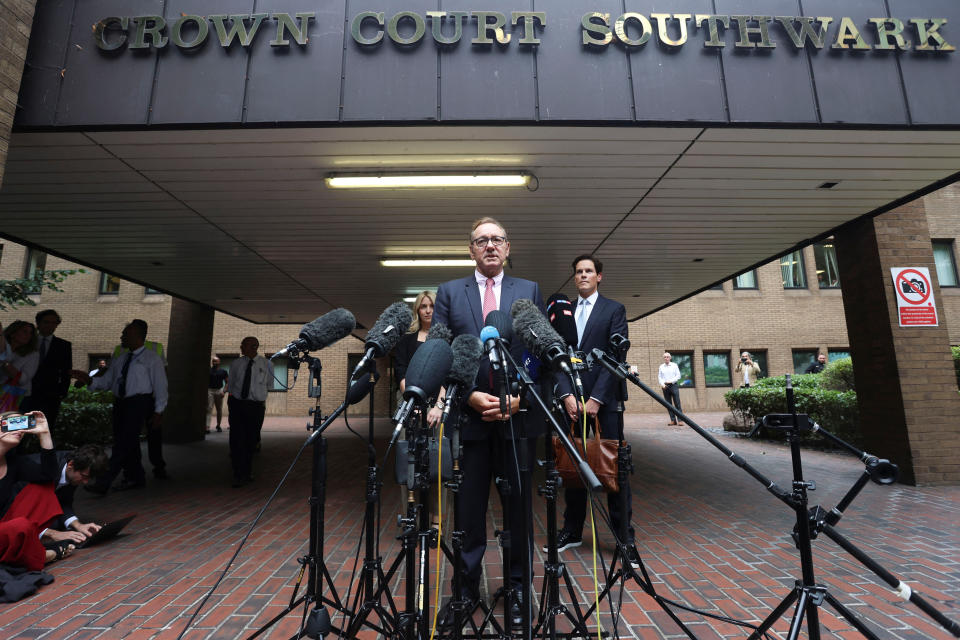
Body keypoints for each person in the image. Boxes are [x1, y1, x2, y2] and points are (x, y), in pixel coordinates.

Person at [433, 217, 543, 624]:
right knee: (467, 514)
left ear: (508, 248)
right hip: (472, 421)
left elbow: (535, 348)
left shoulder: (528, 290)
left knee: (517, 509)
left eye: (497, 240)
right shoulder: (449, 293)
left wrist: (520, 397)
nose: (490, 246)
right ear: (471, 250)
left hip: (515, 421)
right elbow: (442, 351)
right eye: (482, 241)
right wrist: (469, 395)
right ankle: (463, 594)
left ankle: (517, 591)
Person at [550, 255, 637, 565]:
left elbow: (615, 357)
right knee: (573, 466)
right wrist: (566, 395)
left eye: (589, 271)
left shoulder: (614, 310)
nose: (583, 275)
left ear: (599, 276)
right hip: (571, 404)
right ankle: (572, 530)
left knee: (614, 469)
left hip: (606, 402)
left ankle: (624, 539)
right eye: (578, 272)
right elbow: (559, 356)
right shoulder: (564, 313)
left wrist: (596, 400)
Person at [74, 320, 169, 493]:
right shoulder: (121, 358)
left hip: (139, 403)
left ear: (138, 336)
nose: (122, 337)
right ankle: (135, 477)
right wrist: (89, 380)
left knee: (123, 443)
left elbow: (161, 386)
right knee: (127, 442)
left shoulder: (152, 358)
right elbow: (107, 382)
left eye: (126, 334)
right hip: (121, 403)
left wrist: (158, 411)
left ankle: (103, 481)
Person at [0, 411, 75, 569]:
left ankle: (24, 551)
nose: (19, 430)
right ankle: (42, 555)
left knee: (42, 488)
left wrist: (44, 434)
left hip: (4, 530)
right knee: (20, 526)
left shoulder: (13, 463)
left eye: (22, 425)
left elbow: (49, 476)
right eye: (12, 424)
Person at [23, 444, 108, 545]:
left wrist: (78, 525)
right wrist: (52, 534)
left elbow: (63, 501)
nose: (85, 482)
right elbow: (16, 512)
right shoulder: (37, 469)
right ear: (71, 465)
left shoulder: (73, 471)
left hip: (37, 510)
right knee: (54, 524)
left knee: (58, 522)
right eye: (84, 476)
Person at [225, 337, 270, 487]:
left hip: (256, 407)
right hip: (237, 405)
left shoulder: (267, 364)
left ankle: (247, 471)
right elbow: (231, 384)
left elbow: (269, 384)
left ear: (253, 347)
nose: (241, 347)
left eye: (243, 345)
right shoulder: (237, 363)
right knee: (237, 440)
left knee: (251, 441)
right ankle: (238, 473)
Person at [21, 310, 73, 432]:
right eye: (46, 322)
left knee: (46, 429)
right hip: (26, 391)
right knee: (21, 427)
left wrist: (62, 392)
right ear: (38, 323)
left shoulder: (63, 345)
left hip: (51, 394)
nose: (50, 325)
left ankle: (45, 451)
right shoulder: (27, 342)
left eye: (53, 323)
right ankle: (20, 450)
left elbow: (66, 370)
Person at [1, 321, 40, 412]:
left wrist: (5, 363)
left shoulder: (32, 354)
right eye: (24, 331)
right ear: (12, 333)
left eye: (30, 333)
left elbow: (23, 380)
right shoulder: (3, 348)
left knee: (9, 425)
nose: (28, 335)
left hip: (16, 397)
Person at [658, 352, 683, 426]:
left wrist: (671, 381)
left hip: (673, 385)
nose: (666, 358)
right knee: (668, 404)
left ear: (670, 358)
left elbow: (678, 376)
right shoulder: (661, 366)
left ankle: (680, 420)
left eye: (667, 357)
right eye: (665, 357)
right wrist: (662, 384)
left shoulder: (674, 365)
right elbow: (660, 377)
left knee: (677, 403)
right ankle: (673, 420)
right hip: (665, 387)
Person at [206, 357, 228, 433]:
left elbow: (227, 382)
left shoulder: (223, 371)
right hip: (210, 390)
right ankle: (207, 427)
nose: (214, 363)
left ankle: (218, 425)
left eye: (216, 361)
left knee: (219, 409)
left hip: (219, 390)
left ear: (219, 362)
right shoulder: (208, 370)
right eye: (213, 361)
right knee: (209, 408)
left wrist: (224, 391)